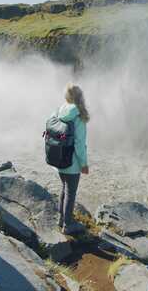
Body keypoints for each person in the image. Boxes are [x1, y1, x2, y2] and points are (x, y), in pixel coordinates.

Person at [54, 84, 89, 235]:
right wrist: (84, 164)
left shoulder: (60, 110)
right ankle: (68, 225)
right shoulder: (78, 116)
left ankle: (61, 219)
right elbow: (80, 144)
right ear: (80, 97)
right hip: (72, 162)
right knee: (71, 192)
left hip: (59, 158)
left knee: (64, 189)